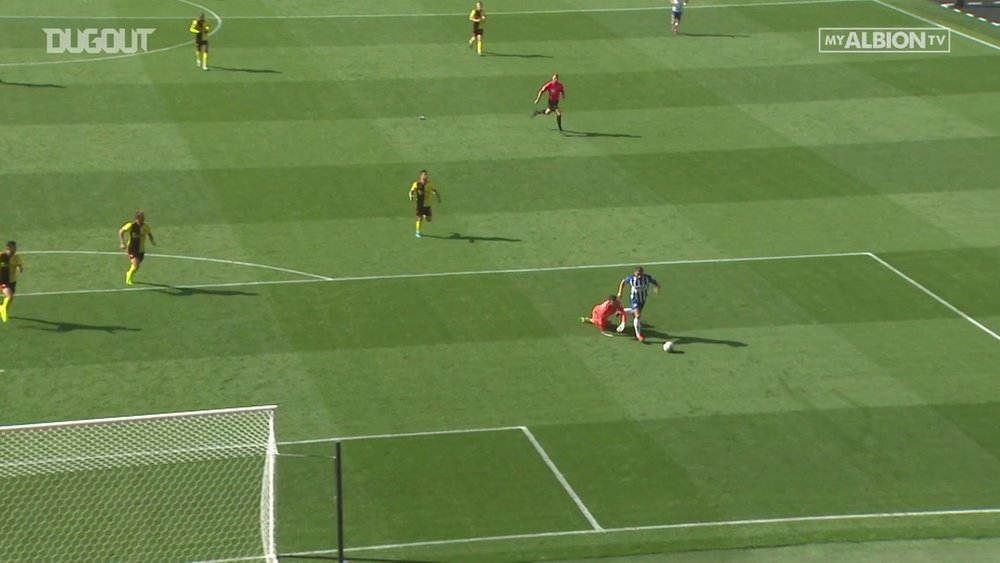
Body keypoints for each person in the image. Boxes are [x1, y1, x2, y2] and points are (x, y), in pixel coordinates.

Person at [617, 266, 660, 342]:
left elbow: (654, 282)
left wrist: (657, 287)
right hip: (634, 299)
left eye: (641, 274)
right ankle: (638, 335)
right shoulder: (631, 278)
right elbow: (623, 282)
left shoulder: (647, 278)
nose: (639, 276)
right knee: (637, 315)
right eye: (638, 275)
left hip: (643, 300)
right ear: (635, 274)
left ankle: (622, 311)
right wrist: (620, 292)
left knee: (635, 314)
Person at [118, 211, 156, 286]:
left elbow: (149, 234)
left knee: (137, 266)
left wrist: (152, 241)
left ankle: (129, 273)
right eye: (142, 217)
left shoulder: (145, 226)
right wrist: (122, 243)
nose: (144, 218)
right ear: (137, 218)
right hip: (132, 248)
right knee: (135, 263)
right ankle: (128, 276)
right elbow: (121, 231)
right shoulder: (131, 225)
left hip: (141, 249)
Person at [408, 170, 441, 238]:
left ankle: (424, 216)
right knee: (419, 218)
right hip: (420, 204)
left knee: (429, 219)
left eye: (426, 175)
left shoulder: (429, 184)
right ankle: (418, 232)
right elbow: (411, 191)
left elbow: (434, 190)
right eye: (424, 175)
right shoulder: (417, 183)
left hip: (427, 204)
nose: (426, 176)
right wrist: (411, 196)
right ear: (421, 176)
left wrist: (437, 196)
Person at [0, 241, 24, 324]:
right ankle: (2, 309)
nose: (15, 250)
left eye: (15, 248)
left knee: (11, 298)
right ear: (8, 249)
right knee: (9, 296)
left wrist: (19, 268)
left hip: (12, 281)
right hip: (2, 281)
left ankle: (2, 308)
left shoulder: (16, 257)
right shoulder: (1, 256)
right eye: (13, 248)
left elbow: (19, 266)